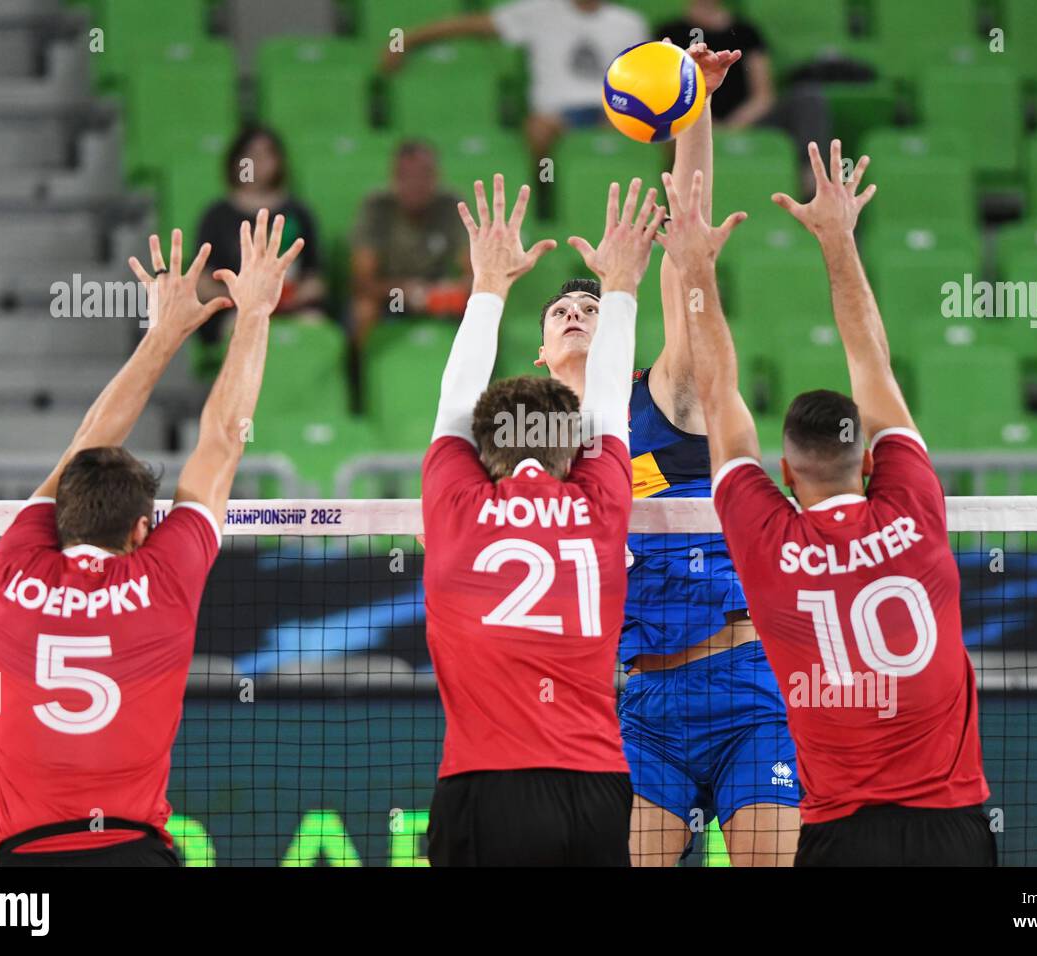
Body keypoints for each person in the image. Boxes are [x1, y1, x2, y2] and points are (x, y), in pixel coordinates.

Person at [666, 141, 994, 866]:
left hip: (840, 833)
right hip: (951, 828)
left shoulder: (765, 537)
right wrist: (839, 242)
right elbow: (871, 361)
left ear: (785, 472)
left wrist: (694, 267)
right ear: (872, 460)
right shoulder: (913, 504)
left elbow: (719, 397)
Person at [533, 43, 802, 866]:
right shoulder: (535, 450)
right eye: (558, 310)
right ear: (541, 355)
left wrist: (693, 111)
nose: (576, 308)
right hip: (638, 702)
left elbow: (689, 244)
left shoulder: (667, 395)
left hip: (744, 684)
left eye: (590, 299)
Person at [0, 216, 304, 865]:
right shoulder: (163, 577)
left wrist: (161, 335)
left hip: (24, 857)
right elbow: (221, 441)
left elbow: (86, 447)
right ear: (142, 529)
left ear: (59, 516)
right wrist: (255, 314)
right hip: (131, 849)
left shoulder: (13, 565)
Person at [421, 174, 663, 866]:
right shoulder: (598, 505)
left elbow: (453, 401)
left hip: (487, 783)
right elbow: (612, 403)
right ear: (571, 445)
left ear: (483, 450)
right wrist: (622, 284)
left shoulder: (458, 504)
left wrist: (488, 283)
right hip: (597, 787)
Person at [380, 0, 647, 161]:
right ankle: (546, 200)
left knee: (669, 133)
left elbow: (641, 80)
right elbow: (472, 26)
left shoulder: (629, 22)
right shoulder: (541, 12)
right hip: (557, 117)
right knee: (538, 131)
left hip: (612, 113)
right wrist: (409, 39)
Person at [195, 127, 325, 354]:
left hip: (289, 308)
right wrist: (245, 298)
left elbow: (315, 280)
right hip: (234, 308)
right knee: (240, 328)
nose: (258, 162)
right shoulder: (216, 216)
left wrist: (287, 298)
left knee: (316, 329)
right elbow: (203, 284)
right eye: (251, 154)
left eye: (267, 154)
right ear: (236, 161)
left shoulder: (298, 213)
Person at [655, 0, 832, 166]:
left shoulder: (746, 31)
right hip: (691, 119)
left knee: (808, 98)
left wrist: (731, 126)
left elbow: (763, 95)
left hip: (748, 120)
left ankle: (810, 178)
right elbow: (665, 89)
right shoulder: (668, 31)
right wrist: (704, 121)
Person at [350, 140, 472, 343]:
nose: (416, 184)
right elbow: (362, 282)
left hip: (437, 296)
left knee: (483, 308)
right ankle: (357, 372)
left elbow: (473, 273)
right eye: (407, 177)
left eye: (424, 175)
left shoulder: (450, 205)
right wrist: (404, 290)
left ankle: (484, 372)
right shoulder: (376, 208)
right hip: (391, 298)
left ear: (435, 178)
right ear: (394, 179)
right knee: (363, 310)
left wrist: (447, 291)